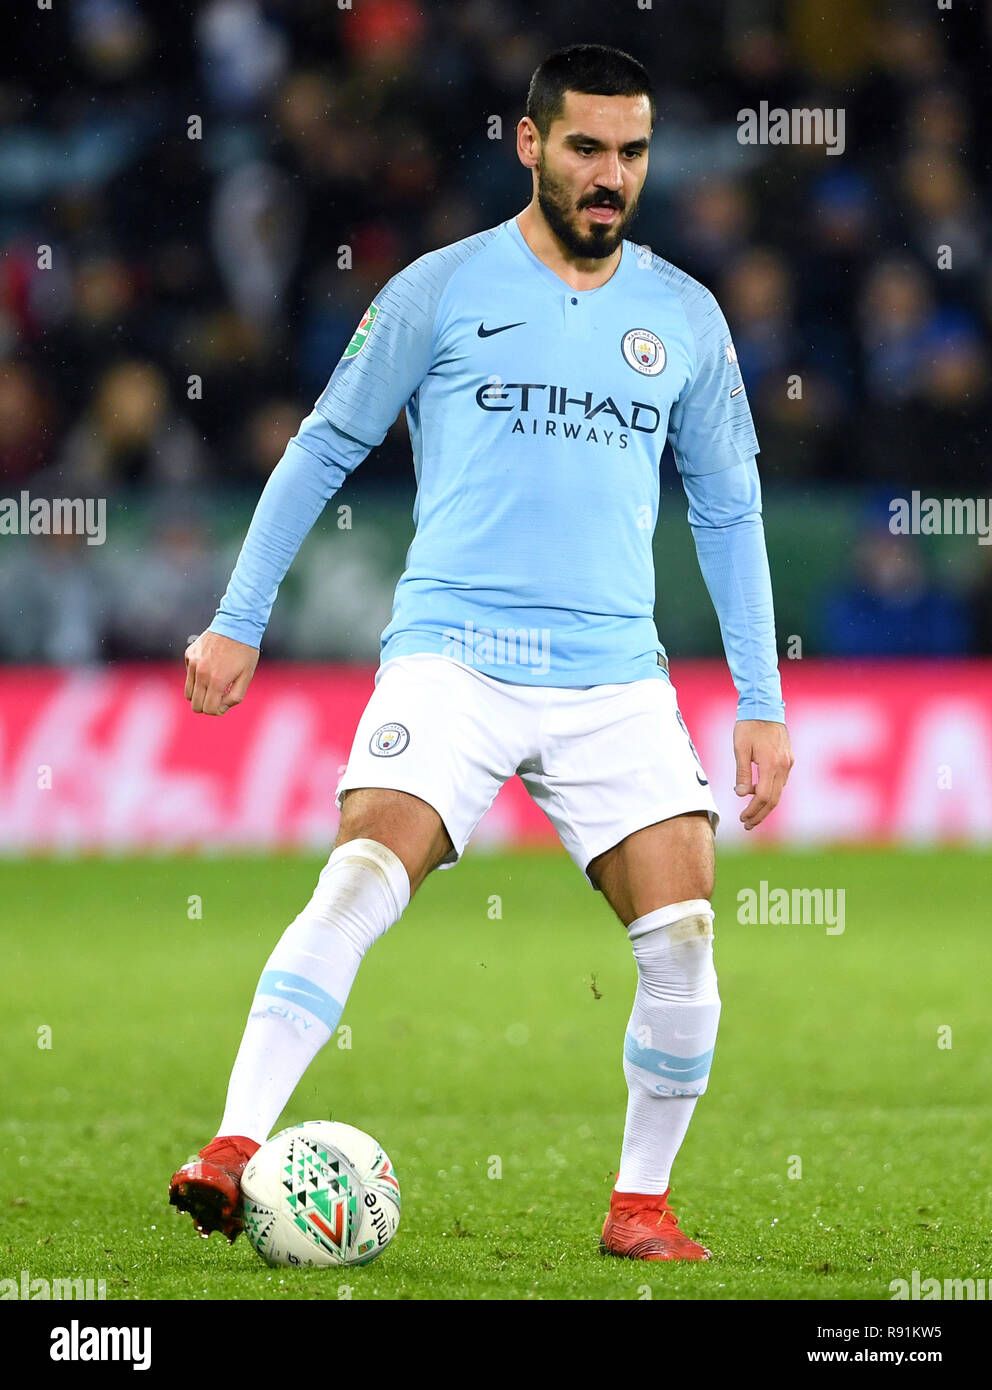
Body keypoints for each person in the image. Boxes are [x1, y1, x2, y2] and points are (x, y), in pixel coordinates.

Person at [171, 43, 793, 1263]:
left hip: (614, 676)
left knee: (682, 938)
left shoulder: (683, 317)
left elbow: (727, 510)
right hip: (452, 655)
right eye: (584, 149)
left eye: (630, 152)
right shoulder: (437, 290)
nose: (609, 176)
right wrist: (239, 616)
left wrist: (759, 699)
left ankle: (638, 1205)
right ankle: (236, 1143)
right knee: (358, 876)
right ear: (529, 145)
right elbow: (320, 447)